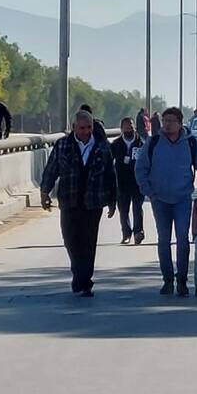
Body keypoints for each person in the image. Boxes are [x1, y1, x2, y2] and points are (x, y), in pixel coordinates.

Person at [134, 107, 197, 297]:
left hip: (182, 198)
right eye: (165, 120)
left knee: (182, 239)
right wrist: (148, 191)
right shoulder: (154, 142)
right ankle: (167, 280)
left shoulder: (191, 143)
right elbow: (140, 168)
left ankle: (182, 280)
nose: (168, 124)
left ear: (181, 122)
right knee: (163, 240)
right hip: (160, 199)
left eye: (172, 121)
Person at [39, 110, 117, 297]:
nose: (86, 131)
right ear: (74, 127)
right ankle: (78, 273)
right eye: (81, 128)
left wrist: (113, 200)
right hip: (69, 201)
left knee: (88, 242)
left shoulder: (103, 147)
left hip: (93, 203)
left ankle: (85, 281)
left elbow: (110, 176)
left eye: (89, 127)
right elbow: (52, 169)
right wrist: (44, 192)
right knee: (71, 240)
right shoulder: (62, 145)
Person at [109, 117, 145, 245]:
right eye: (126, 127)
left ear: (134, 127)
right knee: (123, 210)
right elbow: (108, 163)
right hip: (122, 182)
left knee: (137, 208)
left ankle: (138, 232)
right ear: (121, 128)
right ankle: (126, 234)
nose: (129, 129)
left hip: (137, 182)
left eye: (131, 126)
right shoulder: (115, 145)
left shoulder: (142, 144)